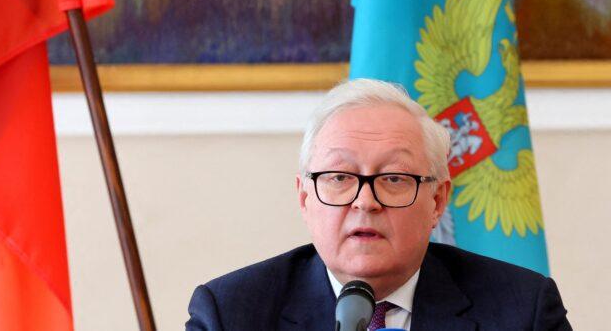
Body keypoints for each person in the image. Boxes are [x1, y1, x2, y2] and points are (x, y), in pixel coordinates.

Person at [186, 78, 572, 330]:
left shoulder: (523, 312)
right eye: (340, 178)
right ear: (305, 198)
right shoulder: (231, 314)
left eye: (394, 179)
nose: (365, 202)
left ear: (437, 200)